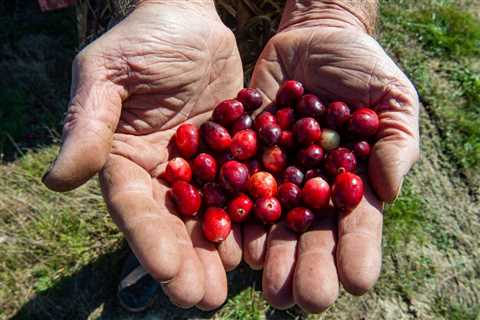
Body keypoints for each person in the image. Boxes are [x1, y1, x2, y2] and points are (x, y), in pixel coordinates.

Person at [42, 0, 419, 313]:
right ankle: (158, 256)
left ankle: (260, 259)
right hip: (179, 50)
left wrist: (329, 12)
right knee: (158, 182)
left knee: (274, 241)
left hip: (287, 36)